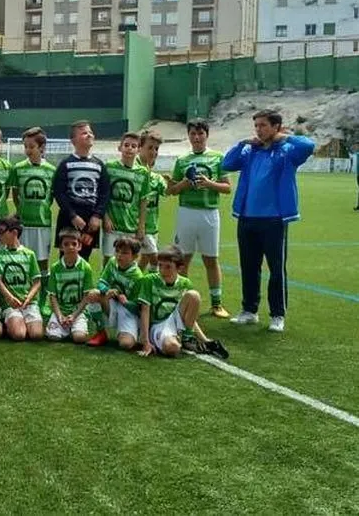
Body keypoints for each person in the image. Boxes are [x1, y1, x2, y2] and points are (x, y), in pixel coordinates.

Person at [223, 110, 315, 333]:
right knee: (249, 267)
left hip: (274, 220)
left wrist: (285, 137)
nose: (258, 130)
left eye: (263, 125)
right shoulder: (250, 151)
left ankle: (277, 314)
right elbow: (227, 163)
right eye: (256, 125)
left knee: (276, 269)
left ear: (276, 127)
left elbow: (309, 145)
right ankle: (249, 310)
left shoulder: (288, 151)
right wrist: (242, 143)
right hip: (247, 218)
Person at [166, 119, 232, 318]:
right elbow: (172, 190)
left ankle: (216, 304)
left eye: (200, 133)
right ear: (188, 136)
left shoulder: (218, 158)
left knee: (211, 259)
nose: (196, 137)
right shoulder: (182, 160)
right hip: (186, 213)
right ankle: (179, 300)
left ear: (207, 135)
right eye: (193, 134)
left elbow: (227, 188)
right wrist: (184, 184)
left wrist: (209, 183)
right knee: (183, 259)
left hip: (209, 214)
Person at [135, 246, 228, 358]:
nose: (163, 270)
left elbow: (190, 318)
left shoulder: (185, 283)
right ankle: (175, 339)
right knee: (172, 348)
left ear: (179, 268)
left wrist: (205, 340)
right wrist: (145, 341)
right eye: (160, 265)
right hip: (158, 325)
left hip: (176, 320)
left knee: (193, 295)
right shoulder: (149, 280)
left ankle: (187, 338)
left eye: (168, 267)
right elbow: (144, 311)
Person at [53, 120, 109, 261]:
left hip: (90, 220)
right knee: (66, 258)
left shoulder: (99, 165)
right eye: (84, 133)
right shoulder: (66, 164)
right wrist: (72, 216)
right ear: (73, 140)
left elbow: (104, 193)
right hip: (69, 218)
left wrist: (97, 215)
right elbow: (59, 192)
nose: (89, 135)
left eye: (90, 132)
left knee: (84, 258)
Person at [9, 127, 57, 280]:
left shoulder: (51, 170)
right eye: (25, 146)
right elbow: (15, 194)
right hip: (24, 223)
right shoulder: (18, 168)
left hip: (43, 223)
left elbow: (51, 197)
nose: (28, 150)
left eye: (31, 146)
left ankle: (43, 291)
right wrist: (20, 210)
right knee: (22, 259)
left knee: (42, 261)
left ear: (41, 148)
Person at [81, 236, 144, 349]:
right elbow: (101, 282)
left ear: (135, 256)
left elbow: (139, 308)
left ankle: (135, 332)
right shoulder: (112, 262)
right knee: (92, 294)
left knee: (126, 344)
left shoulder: (138, 277)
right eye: (117, 251)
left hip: (127, 311)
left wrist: (126, 303)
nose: (119, 255)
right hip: (112, 303)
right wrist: (106, 290)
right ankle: (101, 332)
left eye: (124, 253)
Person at [0, 215, 44, 341]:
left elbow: (37, 282)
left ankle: (17, 321)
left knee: (36, 335)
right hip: (9, 304)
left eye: (2, 232)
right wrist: (9, 297)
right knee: (19, 335)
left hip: (29, 303)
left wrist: (28, 298)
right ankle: (10, 321)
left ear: (14, 232)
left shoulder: (29, 254)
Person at [103, 132, 151, 265]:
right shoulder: (109, 167)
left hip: (131, 225)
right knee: (109, 260)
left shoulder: (143, 173)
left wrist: (141, 226)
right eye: (126, 145)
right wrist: (105, 217)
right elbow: (102, 195)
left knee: (129, 261)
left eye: (133, 146)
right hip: (112, 225)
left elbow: (143, 200)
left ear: (139, 150)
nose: (129, 148)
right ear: (120, 148)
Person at [44, 229, 96, 343]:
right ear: (61, 247)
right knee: (53, 337)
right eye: (66, 244)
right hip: (61, 310)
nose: (70, 247)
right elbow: (52, 296)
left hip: (78, 311)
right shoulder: (55, 268)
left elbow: (87, 296)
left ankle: (75, 327)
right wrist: (59, 316)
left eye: (74, 244)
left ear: (80, 246)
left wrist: (74, 315)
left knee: (79, 338)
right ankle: (65, 327)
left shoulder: (86, 267)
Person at [137, 131, 167, 273]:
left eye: (156, 148)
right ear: (140, 147)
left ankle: (134, 283)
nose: (154, 152)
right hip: (138, 225)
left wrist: (175, 183)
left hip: (153, 225)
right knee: (154, 259)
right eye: (150, 147)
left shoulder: (155, 176)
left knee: (144, 259)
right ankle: (152, 283)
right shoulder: (135, 172)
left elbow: (168, 191)